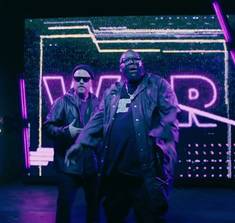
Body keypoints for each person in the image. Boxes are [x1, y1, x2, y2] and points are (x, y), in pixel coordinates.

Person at [65, 50, 180, 223]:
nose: (132, 62)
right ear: (121, 67)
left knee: (150, 217)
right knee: (113, 216)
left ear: (142, 63)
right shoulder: (113, 92)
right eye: (127, 60)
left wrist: (165, 143)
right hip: (115, 173)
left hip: (145, 171)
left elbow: (170, 113)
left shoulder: (157, 85)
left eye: (136, 59)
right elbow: (97, 119)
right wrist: (80, 144)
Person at [43, 64, 101, 223]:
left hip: (92, 166)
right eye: (77, 79)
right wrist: (65, 131)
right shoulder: (62, 102)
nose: (81, 82)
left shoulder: (99, 104)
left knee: (94, 207)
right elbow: (47, 127)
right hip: (68, 166)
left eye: (85, 79)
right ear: (73, 81)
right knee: (64, 206)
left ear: (91, 82)